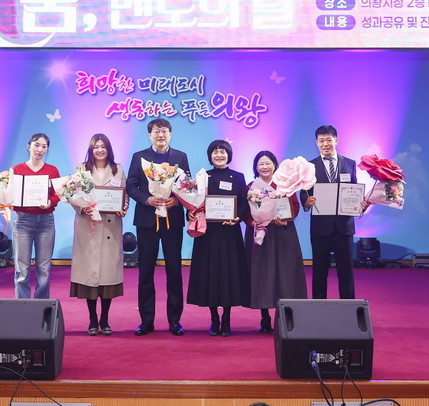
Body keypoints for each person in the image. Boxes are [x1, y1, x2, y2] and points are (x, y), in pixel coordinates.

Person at [126, 118, 191, 336]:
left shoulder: (180, 156)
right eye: (156, 131)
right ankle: (146, 321)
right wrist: (147, 199)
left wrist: (177, 200)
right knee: (145, 271)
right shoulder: (139, 156)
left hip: (172, 220)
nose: (160, 135)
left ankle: (175, 321)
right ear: (150, 135)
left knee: (174, 270)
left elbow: (187, 185)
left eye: (164, 131)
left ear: (170, 134)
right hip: (147, 220)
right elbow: (131, 186)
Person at [187, 140, 249, 337]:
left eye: (223, 152)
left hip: (230, 233)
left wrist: (238, 217)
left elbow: (244, 202)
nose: (219, 155)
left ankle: (227, 318)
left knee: (229, 275)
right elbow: (193, 202)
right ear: (210, 156)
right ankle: (214, 318)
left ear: (229, 155)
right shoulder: (202, 177)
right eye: (215, 152)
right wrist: (190, 212)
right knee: (210, 275)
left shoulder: (238, 177)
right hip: (208, 235)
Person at [299, 125, 367, 299]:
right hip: (320, 226)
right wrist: (306, 201)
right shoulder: (310, 166)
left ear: (336, 141)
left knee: (346, 270)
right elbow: (304, 192)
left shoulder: (350, 163)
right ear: (316, 143)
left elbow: (353, 189)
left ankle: (349, 306)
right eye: (321, 140)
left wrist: (360, 203)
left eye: (329, 140)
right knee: (319, 269)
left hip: (344, 226)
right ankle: (319, 305)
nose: (325, 144)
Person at [70, 133, 128, 336]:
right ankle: (92, 319)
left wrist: (123, 207)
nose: (100, 150)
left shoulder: (118, 169)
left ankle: (105, 319)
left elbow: (124, 194)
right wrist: (82, 207)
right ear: (91, 149)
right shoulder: (81, 169)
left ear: (108, 149)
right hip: (88, 226)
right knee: (89, 274)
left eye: (103, 146)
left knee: (108, 274)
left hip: (111, 227)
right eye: (96, 147)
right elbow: (72, 194)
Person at [244, 150, 307, 333]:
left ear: (275, 165)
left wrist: (286, 218)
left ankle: (284, 317)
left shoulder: (285, 185)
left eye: (268, 163)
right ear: (255, 167)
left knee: (285, 274)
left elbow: (294, 206)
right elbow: (245, 211)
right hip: (261, 234)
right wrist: (253, 221)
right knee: (261, 274)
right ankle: (264, 317)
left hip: (282, 234)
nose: (265, 167)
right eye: (261, 164)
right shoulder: (251, 187)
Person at [10, 133, 60, 299]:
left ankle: (41, 307)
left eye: (44, 146)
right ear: (29, 146)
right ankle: (22, 307)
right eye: (36, 145)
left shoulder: (52, 170)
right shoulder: (17, 170)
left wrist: (50, 202)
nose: (40, 149)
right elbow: (10, 195)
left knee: (44, 269)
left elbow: (58, 193)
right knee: (22, 269)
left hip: (46, 222)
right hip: (23, 222)